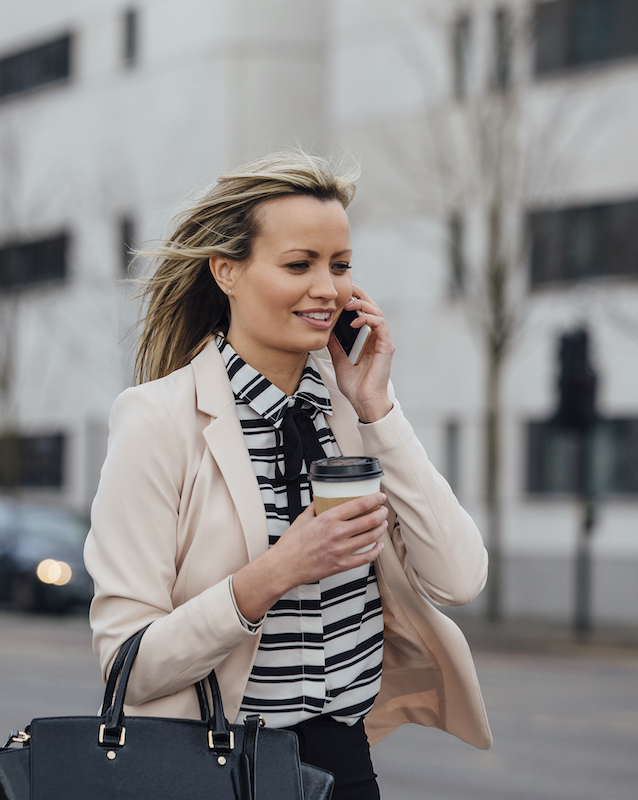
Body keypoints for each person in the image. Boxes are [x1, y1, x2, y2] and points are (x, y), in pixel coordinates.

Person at [84, 151, 491, 799]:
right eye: (299, 264)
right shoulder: (157, 422)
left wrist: (377, 407)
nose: (328, 289)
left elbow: (460, 578)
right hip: (215, 766)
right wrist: (277, 571)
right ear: (227, 271)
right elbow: (128, 667)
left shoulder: (353, 410)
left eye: (341, 265)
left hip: (343, 763)